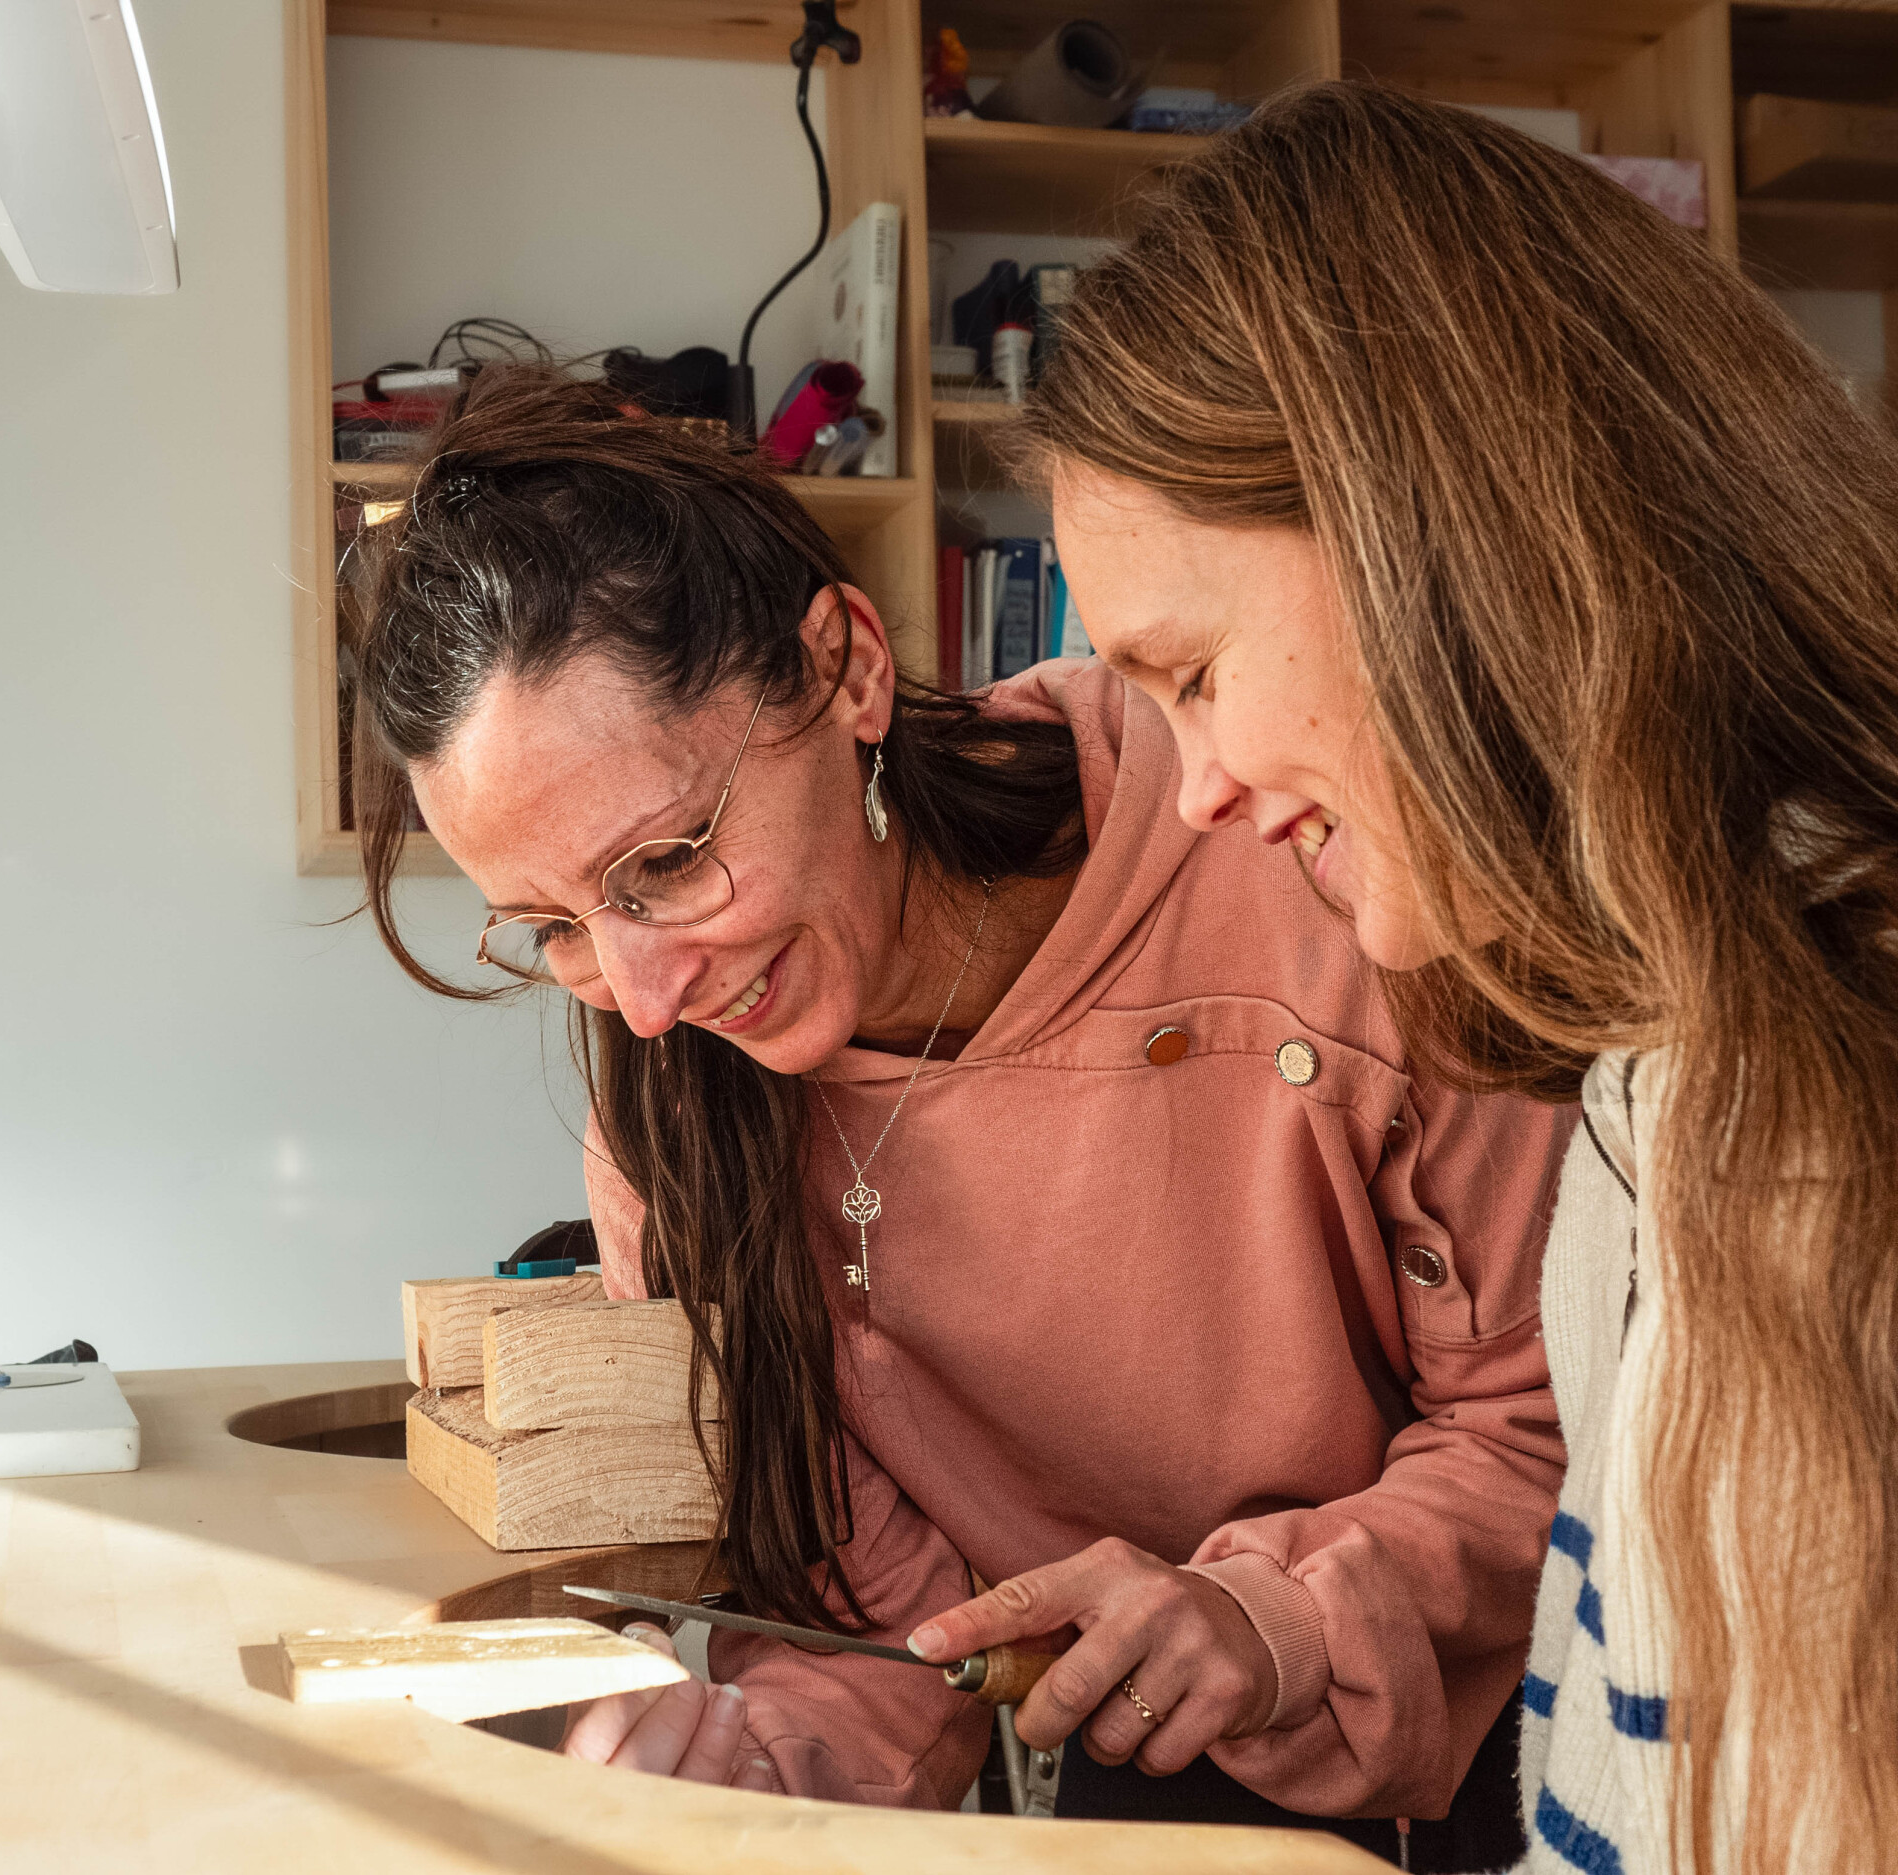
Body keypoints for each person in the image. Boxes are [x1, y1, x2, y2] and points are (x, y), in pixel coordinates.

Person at [951, 77, 1898, 1875]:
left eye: (1188, 673)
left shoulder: (1891, 1129)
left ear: (1441, 543)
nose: (1199, 793)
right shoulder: (1668, 1071)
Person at [346, 365, 1576, 1865]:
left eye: (665, 862)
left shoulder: (1302, 842)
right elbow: (881, 1640)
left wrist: (1268, 1617)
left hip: (1538, 1747)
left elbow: (1545, 1435)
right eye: (552, 929)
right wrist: (746, 1764)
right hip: (1151, 1775)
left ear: (846, 667)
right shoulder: (677, 1131)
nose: (645, 995)